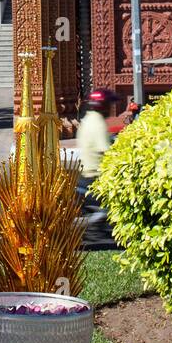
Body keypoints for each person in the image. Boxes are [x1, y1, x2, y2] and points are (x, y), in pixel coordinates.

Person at [75, 88, 117, 243]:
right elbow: (106, 151)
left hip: (86, 172)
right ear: (103, 105)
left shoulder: (87, 120)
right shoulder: (99, 123)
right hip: (96, 176)